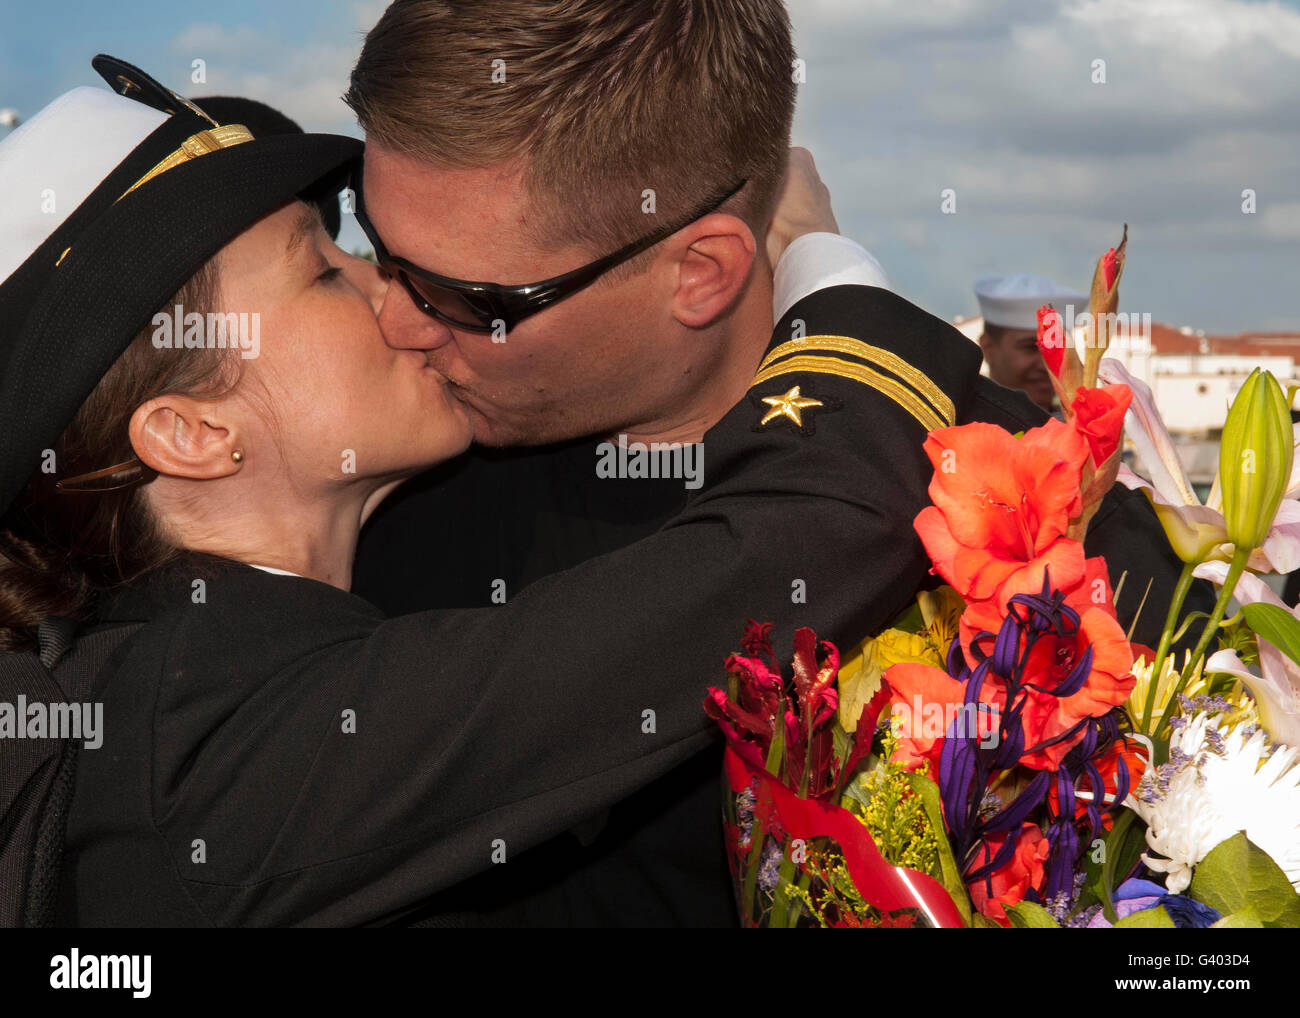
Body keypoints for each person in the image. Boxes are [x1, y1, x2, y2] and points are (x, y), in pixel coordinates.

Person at [0, 57, 983, 926]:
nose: (393, 297)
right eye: (325, 272)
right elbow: (812, 533)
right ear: (192, 431)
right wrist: (824, 262)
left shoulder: (199, 672)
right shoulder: (219, 741)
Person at [345, 1, 1212, 925]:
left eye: (466, 297)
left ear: (701, 273)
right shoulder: (372, 490)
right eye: (374, 244)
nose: (394, 322)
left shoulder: (1046, 537)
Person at [973, 273, 1089, 412]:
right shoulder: (958, 427)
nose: (1045, 365)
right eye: (1031, 347)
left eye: (1056, 349)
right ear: (988, 349)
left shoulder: (1083, 429)